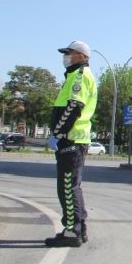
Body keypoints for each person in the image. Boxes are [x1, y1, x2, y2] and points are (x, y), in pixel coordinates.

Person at [44, 40, 98, 247]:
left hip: (72, 138)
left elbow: (73, 108)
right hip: (73, 138)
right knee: (72, 187)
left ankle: (71, 232)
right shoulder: (74, 76)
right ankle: (78, 229)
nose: (66, 56)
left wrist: (58, 133)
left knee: (67, 188)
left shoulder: (80, 77)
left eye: (70, 53)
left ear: (82, 57)